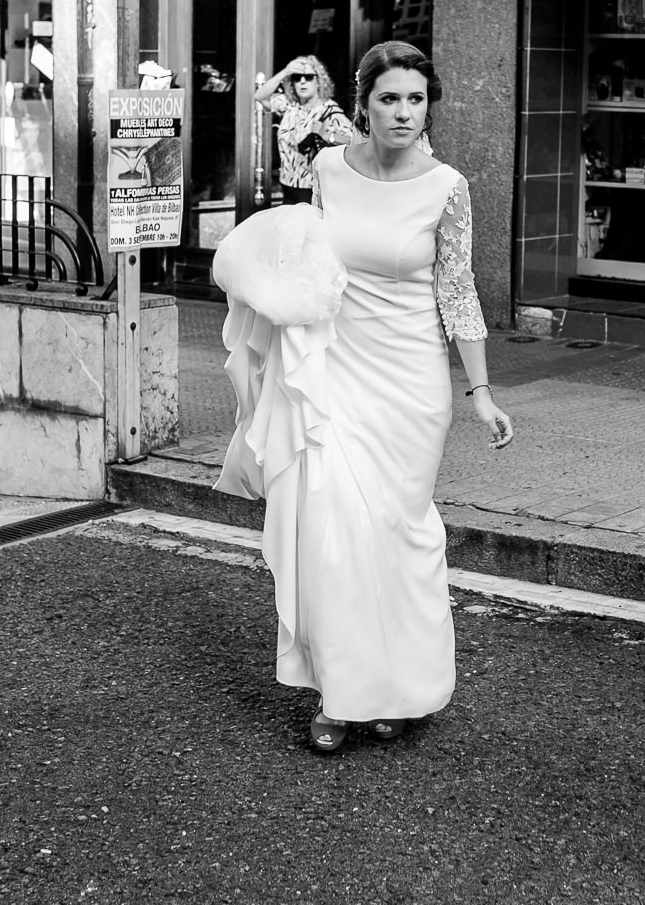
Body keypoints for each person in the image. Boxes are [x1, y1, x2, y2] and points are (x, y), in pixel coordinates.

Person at [215, 40, 514, 753]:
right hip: (335, 371)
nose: (404, 112)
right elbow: (306, 252)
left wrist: (481, 392)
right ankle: (344, 695)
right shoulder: (324, 167)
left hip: (411, 384)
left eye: (416, 99)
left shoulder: (449, 186)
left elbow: (457, 291)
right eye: (390, 98)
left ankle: (405, 690)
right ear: (364, 104)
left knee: (401, 537)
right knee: (333, 535)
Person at [253, 54, 356, 204]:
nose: (302, 81)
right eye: (297, 77)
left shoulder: (328, 110)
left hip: (314, 190)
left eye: (308, 77)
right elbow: (260, 96)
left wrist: (327, 134)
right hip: (287, 185)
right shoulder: (290, 105)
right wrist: (285, 72)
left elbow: (356, 142)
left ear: (319, 81)